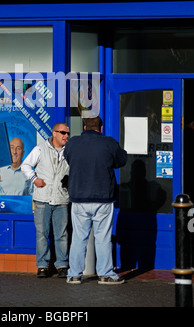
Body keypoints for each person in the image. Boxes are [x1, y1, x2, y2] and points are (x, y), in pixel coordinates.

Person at [63, 116, 127, 285]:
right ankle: (105, 274)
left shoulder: (72, 143)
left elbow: (68, 159)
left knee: (78, 237)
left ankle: (74, 275)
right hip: (102, 198)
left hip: (79, 198)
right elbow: (122, 160)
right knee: (103, 237)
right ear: (101, 127)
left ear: (84, 127)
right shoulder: (109, 143)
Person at [21, 123, 70, 278]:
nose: (66, 136)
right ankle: (42, 266)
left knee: (61, 234)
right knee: (42, 234)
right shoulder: (40, 148)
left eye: (67, 133)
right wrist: (34, 179)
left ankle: (62, 265)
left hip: (61, 198)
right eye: (62, 133)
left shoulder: (70, 151)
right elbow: (25, 165)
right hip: (42, 199)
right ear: (54, 133)